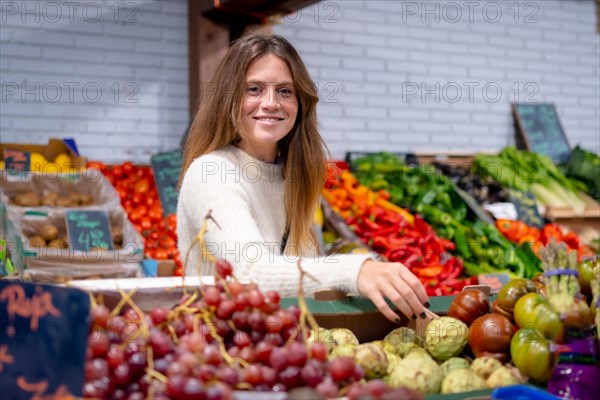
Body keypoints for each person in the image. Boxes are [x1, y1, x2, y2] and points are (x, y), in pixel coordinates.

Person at [177, 34, 429, 323]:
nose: (271, 103)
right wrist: (355, 270)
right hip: (223, 350)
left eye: (285, 91)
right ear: (228, 97)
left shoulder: (294, 177)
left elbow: (300, 275)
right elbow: (249, 272)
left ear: (300, 103)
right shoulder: (211, 172)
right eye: (254, 89)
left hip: (279, 345)